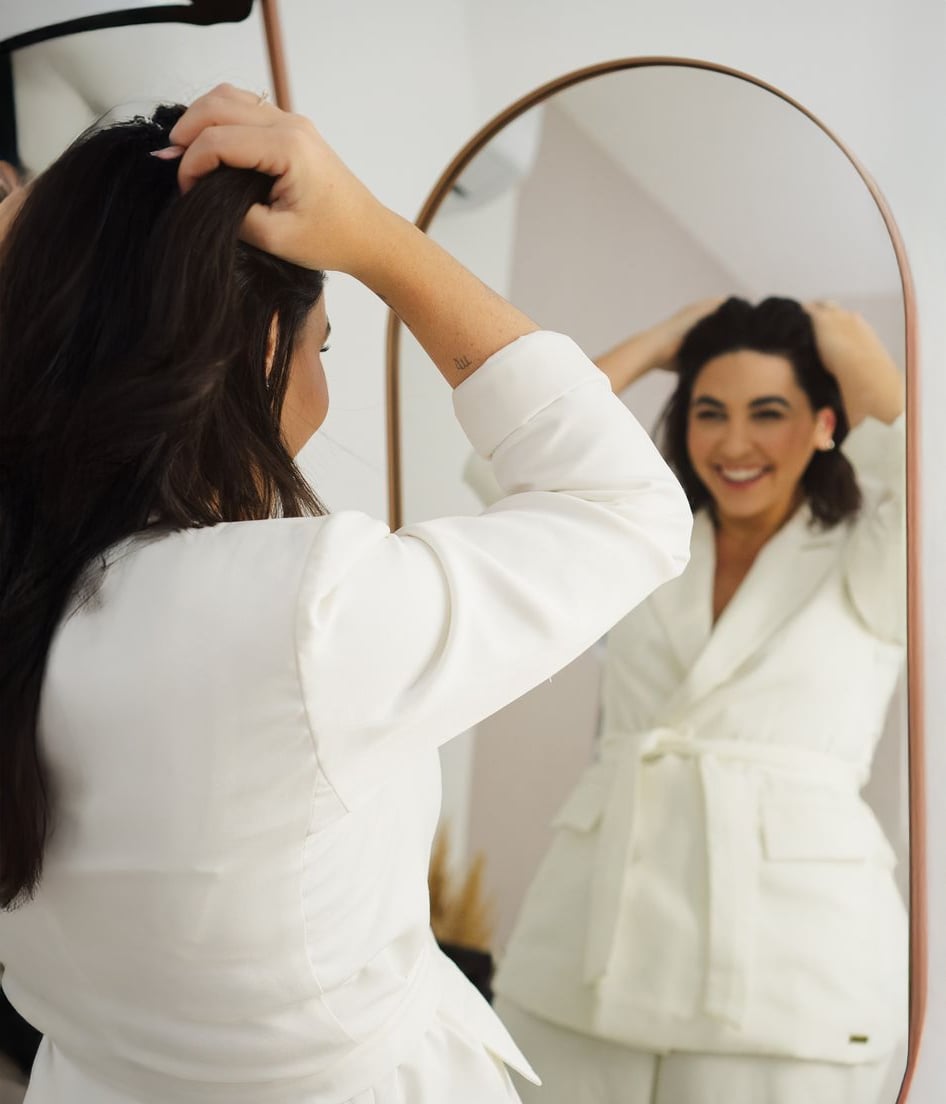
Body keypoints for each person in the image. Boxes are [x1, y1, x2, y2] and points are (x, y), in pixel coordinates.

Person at [0, 86, 692, 1103]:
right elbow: (626, 507)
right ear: (260, 351)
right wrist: (372, 235)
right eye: (323, 346)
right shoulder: (299, 613)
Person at [492, 296, 907, 1104]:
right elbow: (518, 461)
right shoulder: (640, 537)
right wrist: (658, 343)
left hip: (791, 969)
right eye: (709, 412)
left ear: (827, 424)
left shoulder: (877, 556)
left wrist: (869, 365)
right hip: (591, 944)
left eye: (769, 413)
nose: (735, 443)